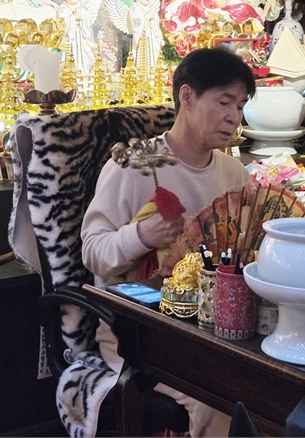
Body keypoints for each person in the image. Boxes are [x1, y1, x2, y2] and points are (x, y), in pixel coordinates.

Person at [82, 47, 255, 438]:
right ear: (187, 96)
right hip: (140, 334)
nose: (234, 117)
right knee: (220, 400)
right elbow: (92, 251)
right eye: (224, 102)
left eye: (241, 106)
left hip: (214, 329)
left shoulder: (235, 174)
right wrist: (142, 236)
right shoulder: (133, 165)